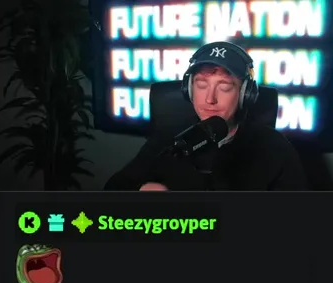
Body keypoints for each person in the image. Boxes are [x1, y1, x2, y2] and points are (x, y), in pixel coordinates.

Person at [106, 41, 306, 191]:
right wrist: (141, 190)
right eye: (201, 84)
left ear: (245, 94)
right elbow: (114, 188)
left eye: (224, 87)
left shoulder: (274, 147)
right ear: (188, 89)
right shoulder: (167, 141)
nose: (210, 99)